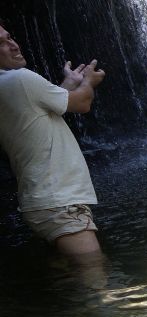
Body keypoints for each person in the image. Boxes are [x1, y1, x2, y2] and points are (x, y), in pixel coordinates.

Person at [0, 23, 106, 259]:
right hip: (60, 201)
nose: (14, 45)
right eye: (1, 43)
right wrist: (88, 81)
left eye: (10, 37)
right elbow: (82, 103)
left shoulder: (8, 85)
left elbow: (40, 110)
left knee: (70, 274)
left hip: (41, 201)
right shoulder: (20, 79)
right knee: (95, 278)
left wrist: (69, 85)